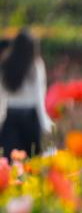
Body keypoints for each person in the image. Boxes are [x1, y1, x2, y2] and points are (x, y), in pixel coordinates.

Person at [0, 29, 54, 157]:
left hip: (11, 117)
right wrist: (45, 123)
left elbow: (1, 95)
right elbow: (39, 97)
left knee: (10, 159)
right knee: (32, 158)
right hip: (30, 117)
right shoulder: (35, 65)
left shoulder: (6, 63)